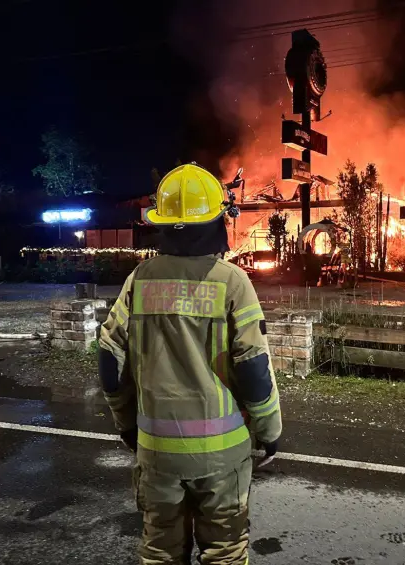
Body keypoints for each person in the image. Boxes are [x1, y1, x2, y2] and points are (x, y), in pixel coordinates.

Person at [98, 163, 282, 565]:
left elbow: (110, 361)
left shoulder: (139, 280)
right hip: (222, 458)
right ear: (219, 220)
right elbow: (253, 368)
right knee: (225, 552)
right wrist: (270, 431)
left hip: (157, 454)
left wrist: (128, 425)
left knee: (161, 551)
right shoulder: (232, 282)